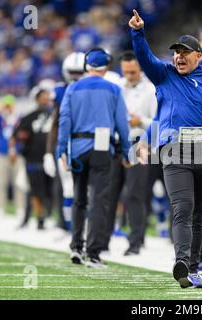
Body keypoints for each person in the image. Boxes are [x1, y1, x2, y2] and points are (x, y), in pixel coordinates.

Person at [129, 10, 202, 288]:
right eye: (175, 52)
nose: (178, 56)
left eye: (184, 52)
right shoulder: (164, 75)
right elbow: (145, 58)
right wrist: (138, 33)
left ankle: (193, 268)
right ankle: (181, 261)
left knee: (198, 213)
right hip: (175, 152)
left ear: (198, 56)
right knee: (183, 207)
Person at [57, 48, 131, 269]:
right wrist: (127, 151)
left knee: (79, 198)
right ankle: (94, 252)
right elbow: (122, 125)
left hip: (78, 147)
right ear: (106, 67)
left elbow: (64, 121)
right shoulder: (114, 89)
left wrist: (61, 149)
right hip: (101, 146)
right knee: (100, 200)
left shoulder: (72, 88)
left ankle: (76, 247)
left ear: (87, 66)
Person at [119, 50, 158, 256]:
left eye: (133, 72)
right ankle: (104, 240)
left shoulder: (151, 90)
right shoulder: (117, 87)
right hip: (118, 143)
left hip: (140, 143)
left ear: (140, 69)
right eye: (126, 71)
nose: (130, 75)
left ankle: (135, 241)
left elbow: (159, 122)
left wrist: (139, 121)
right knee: (111, 193)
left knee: (135, 194)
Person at [43, 51, 86, 233]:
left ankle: (86, 226)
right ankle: (67, 226)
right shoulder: (60, 91)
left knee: (88, 187)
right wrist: (48, 151)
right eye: (72, 72)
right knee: (65, 186)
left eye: (79, 72)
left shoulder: (94, 88)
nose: (75, 77)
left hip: (86, 142)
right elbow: (55, 122)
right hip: (67, 143)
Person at [11, 89, 54, 230]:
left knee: (50, 190)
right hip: (33, 158)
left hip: (51, 158)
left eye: (48, 97)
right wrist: (18, 144)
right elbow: (16, 135)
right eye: (43, 97)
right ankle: (39, 218)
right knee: (35, 190)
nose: (46, 100)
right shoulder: (29, 117)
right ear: (37, 99)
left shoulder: (54, 115)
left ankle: (49, 216)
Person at [0, 95, 26, 219]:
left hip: (17, 154)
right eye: (5, 105)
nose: (7, 107)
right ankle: (0, 207)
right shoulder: (0, 118)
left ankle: (20, 208)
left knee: (19, 183)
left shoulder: (19, 117)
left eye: (9, 105)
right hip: (2, 154)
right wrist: (0, 114)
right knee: (1, 182)